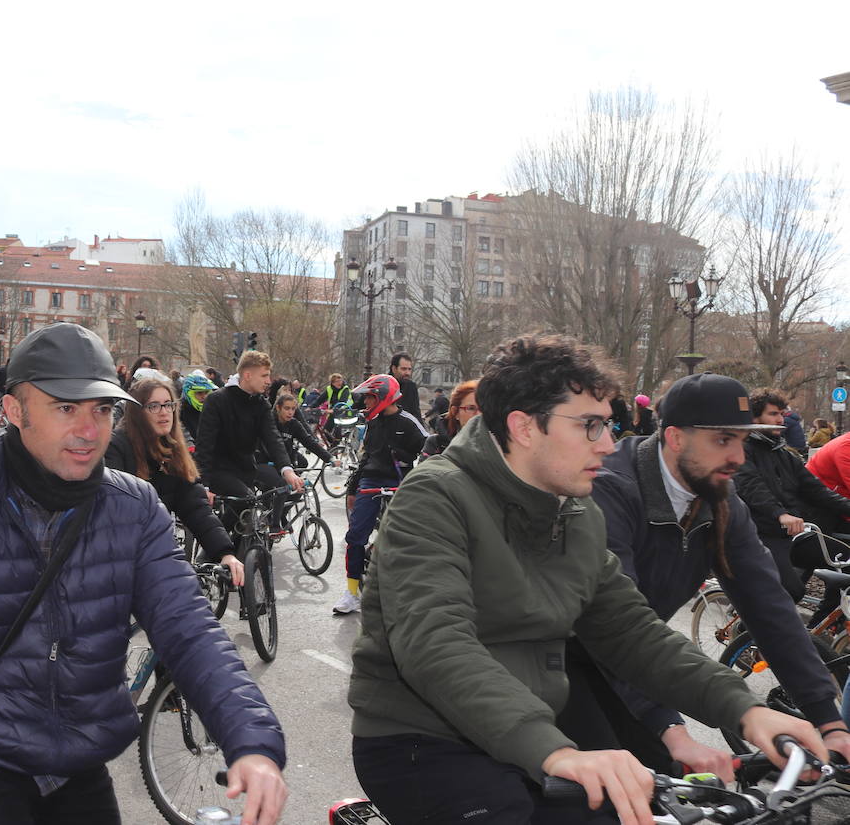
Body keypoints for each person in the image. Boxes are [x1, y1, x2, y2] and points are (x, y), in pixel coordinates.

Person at [346, 334, 828, 825]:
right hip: (426, 740)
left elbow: (631, 631)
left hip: (533, 731)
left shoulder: (575, 511)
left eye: (610, 424)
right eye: (591, 425)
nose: (609, 443)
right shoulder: (435, 496)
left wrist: (746, 710)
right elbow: (435, 642)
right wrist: (555, 751)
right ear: (524, 427)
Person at [0, 323, 287, 825]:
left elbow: (189, 629)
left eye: (102, 410)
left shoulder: (134, 507)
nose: (90, 429)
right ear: (13, 411)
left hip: (76, 766)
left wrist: (251, 740)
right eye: (65, 408)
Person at [559, 372, 850, 783]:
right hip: (561, 659)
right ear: (675, 437)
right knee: (608, 790)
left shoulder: (720, 496)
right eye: (722, 440)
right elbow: (612, 626)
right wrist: (671, 729)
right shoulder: (611, 488)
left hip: (635, 659)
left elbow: (769, 608)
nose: (739, 456)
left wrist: (829, 721)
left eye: (742, 440)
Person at [105, 374, 245, 586]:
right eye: (154, 406)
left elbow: (195, 506)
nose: (164, 412)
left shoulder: (171, 450)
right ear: (137, 412)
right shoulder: (117, 447)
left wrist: (225, 553)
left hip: (158, 555)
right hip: (119, 560)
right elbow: (114, 514)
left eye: (168, 404)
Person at [734, 387, 850, 602]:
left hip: (795, 536)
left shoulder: (785, 455)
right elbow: (752, 487)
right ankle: (749, 634)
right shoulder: (742, 450)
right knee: (790, 592)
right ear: (754, 417)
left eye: (781, 414)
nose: (780, 419)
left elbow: (818, 491)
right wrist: (780, 514)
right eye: (773, 414)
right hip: (762, 533)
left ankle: (820, 630)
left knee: (846, 567)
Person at [335, 374, 427, 615]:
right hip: (372, 480)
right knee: (355, 536)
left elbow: (428, 449)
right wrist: (353, 488)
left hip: (400, 480)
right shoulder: (373, 423)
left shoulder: (408, 421)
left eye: (369, 398)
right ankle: (351, 592)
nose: (366, 403)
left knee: (409, 535)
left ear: (384, 397)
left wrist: (409, 460)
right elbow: (366, 457)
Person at [193, 350, 302, 531]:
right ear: (247, 375)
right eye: (264, 375)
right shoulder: (217, 400)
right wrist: (202, 484)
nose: (269, 381)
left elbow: (273, 438)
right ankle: (212, 545)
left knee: (247, 528)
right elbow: (204, 445)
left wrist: (287, 470)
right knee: (247, 501)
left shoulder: (261, 404)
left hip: (246, 471)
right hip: (219, 471)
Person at [422, 379, 478, 456]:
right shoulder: (436, 442)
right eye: (471, 408)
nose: (479, 414)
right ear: (455, 412)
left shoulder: (495, 443)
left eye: (483, 408)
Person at [178, 371, 217, 441]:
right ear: (190, 393)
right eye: (199, 393)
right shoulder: (181, 410)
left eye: (206, 392)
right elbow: (181, 433)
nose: (204, 396)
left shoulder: (211, 408)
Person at [389, 352, 421, 421]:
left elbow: (416, 413)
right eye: (404, 369)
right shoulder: (383, 385)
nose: (408, 373)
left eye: (409, 369)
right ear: (394, 369)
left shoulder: (411, 386)